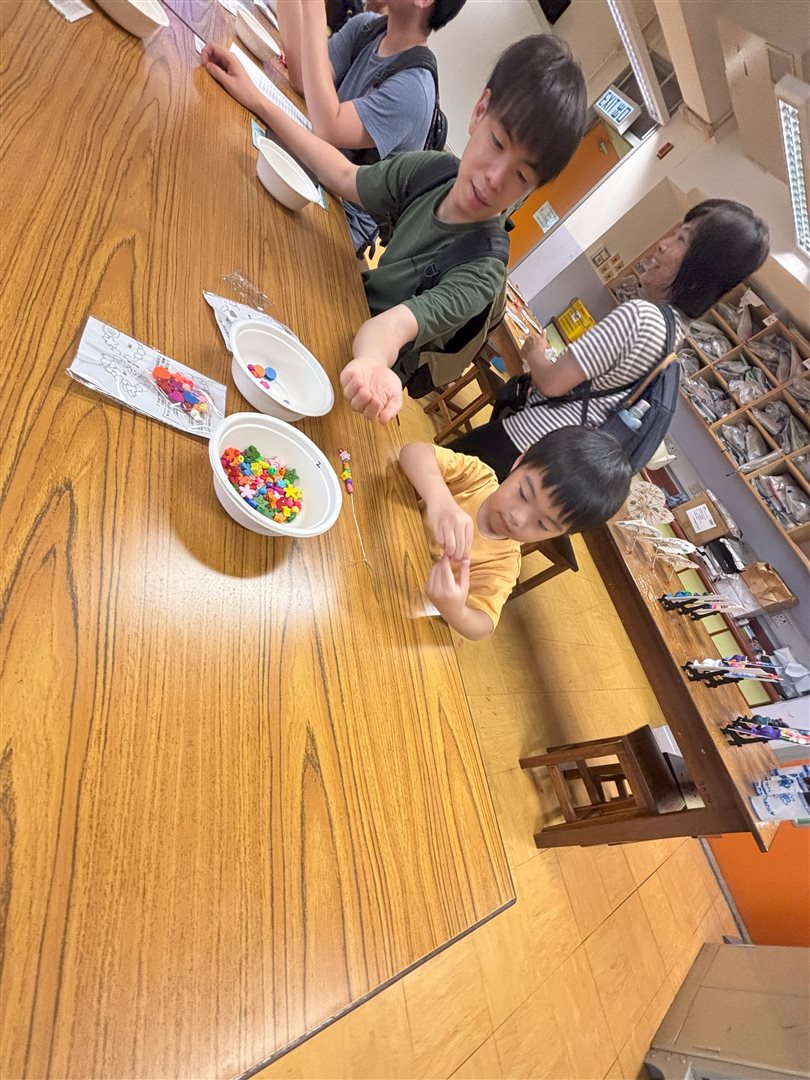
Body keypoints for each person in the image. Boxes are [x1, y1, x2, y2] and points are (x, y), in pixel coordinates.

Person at [201, 35, 587, 423]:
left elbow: (393, 326)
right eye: (498, 143)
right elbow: (343, 174)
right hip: (343, 308)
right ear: (480, 111)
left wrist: (371, 363)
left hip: (368, 381)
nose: (495, 178)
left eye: (520, 176)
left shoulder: (482, 272)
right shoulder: (434, 171)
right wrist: (257, 100)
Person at [449, 199, 770, 479]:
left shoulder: (642, 317)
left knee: (428, 482)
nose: (663, 244)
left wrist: (535, 352)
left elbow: (551, 383)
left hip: (519, 443)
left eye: (681, 239)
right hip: (544, 467)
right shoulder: (674, 336)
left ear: (699, 271)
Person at [399, 426, 633, 639]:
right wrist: (440, 500)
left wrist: (457, 612)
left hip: (401, 590)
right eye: (523, 494)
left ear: (559, 535)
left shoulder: (504, 564)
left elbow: (483, 624)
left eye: (542, 524)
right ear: (520, 461)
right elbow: (414, 453)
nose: (518, 518)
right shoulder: (477, 478)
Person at [272, 0, 466, 251]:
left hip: (338, 222)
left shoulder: (414, 89)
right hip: (310, 168)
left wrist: (314, 9)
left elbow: (328, 127)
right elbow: (301, 78)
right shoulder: (368, 27)